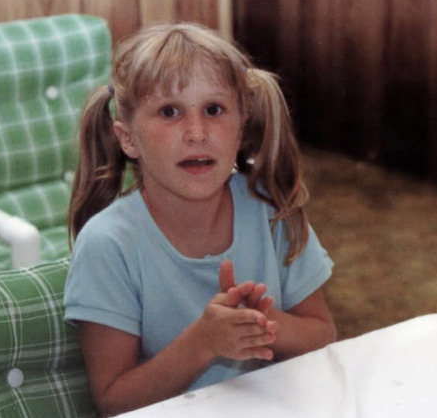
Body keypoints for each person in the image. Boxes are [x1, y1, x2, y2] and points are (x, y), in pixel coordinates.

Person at [63, 23, 336, 416]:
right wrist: (203, 343)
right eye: (170, 111)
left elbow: (324, 333)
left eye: (214, 109)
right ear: (128, 139)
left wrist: (265, 323)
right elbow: (112, 401)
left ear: (241, 128)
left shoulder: (271, 210)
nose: (197, 133)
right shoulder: (108, 244)